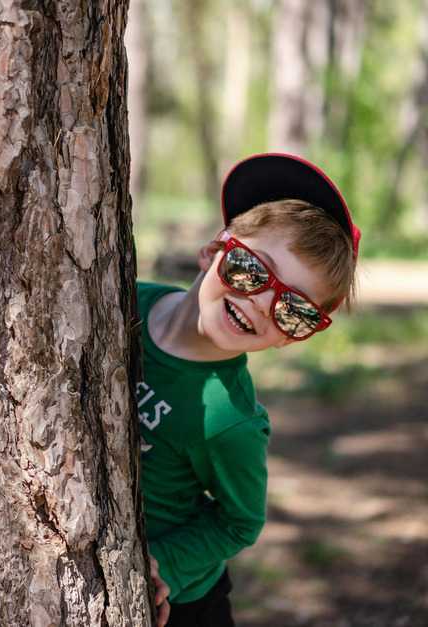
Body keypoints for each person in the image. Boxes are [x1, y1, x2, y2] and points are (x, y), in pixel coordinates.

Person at [137, 154, 360, 626]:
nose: (260, 302)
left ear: (290, 336)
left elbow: (240, 522)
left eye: (293, 310)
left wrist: (160, 564)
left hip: (185, 605)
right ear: (212, 251)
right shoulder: (125, 299)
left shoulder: (230, 421)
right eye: (250, 269)